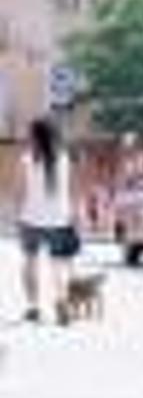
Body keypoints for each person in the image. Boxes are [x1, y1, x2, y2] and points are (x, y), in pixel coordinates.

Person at [14, 117, 79, 325]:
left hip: (31, 218)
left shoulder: (26, 159)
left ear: (35, 137)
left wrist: (17, 215)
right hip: (59, 219)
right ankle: (61, 302)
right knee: (58, 265)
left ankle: (33, 307)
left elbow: (20, 192)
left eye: (29, 134)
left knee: (29, 263)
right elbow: (72, 190)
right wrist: (74, 214)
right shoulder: (64, 159)